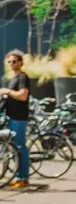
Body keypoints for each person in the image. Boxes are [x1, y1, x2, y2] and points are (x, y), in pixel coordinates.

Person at [1, 50, 31, 188]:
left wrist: (7, 91)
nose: (12, 64)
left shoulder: (23, 78)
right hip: (10, 116)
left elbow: (23, 96)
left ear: (20, 62)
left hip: (19, 117)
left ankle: (23, 177)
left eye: (14, 61)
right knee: (13, 148)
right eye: (9, 62)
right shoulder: (9, 79)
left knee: (19, 147)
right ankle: (17, 175)